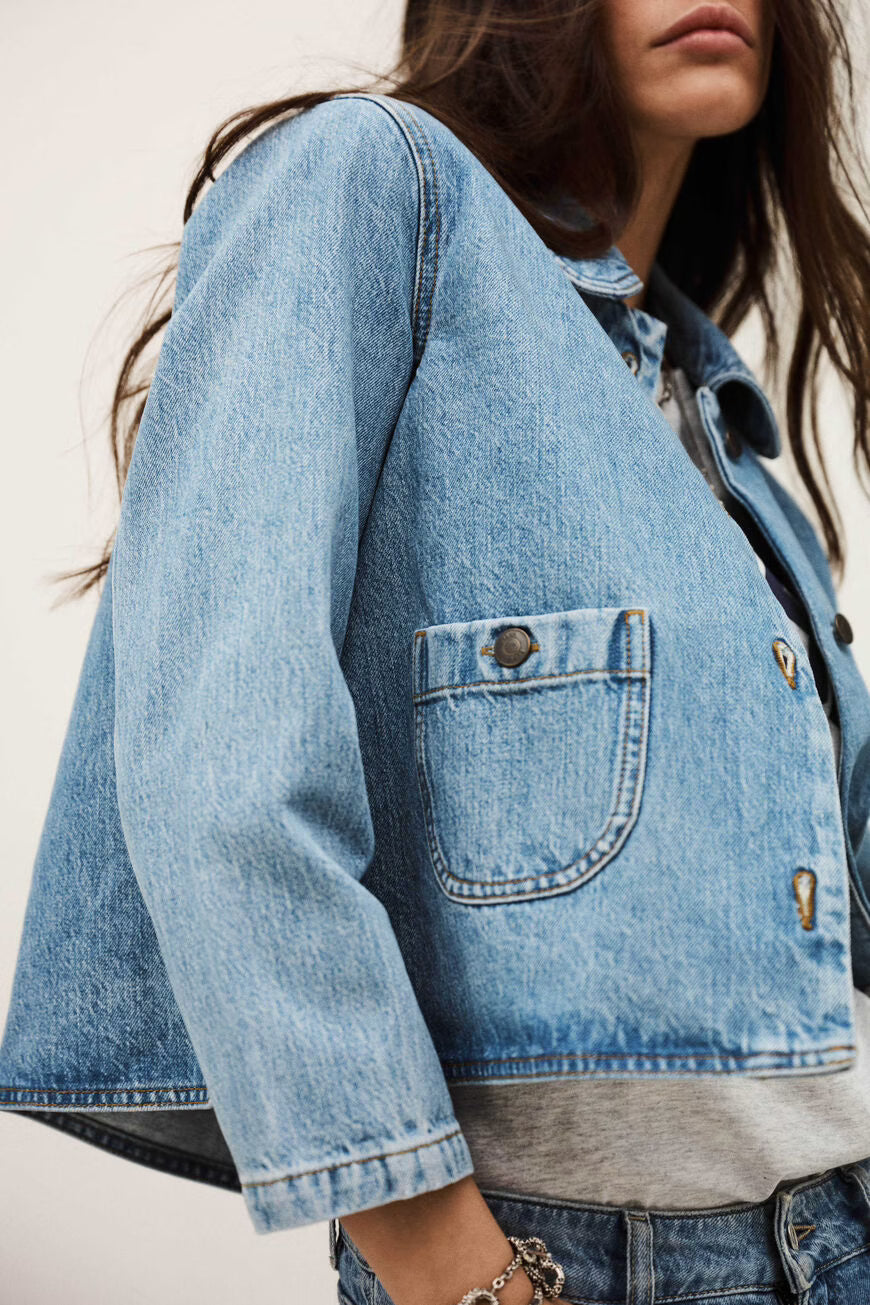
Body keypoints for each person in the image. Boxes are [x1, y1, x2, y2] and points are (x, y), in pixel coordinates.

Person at [3, 2, 870, 1302]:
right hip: (583, 1260)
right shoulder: (368, 181)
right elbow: (222, 769)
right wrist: (455, 1268)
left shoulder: (705, 410)